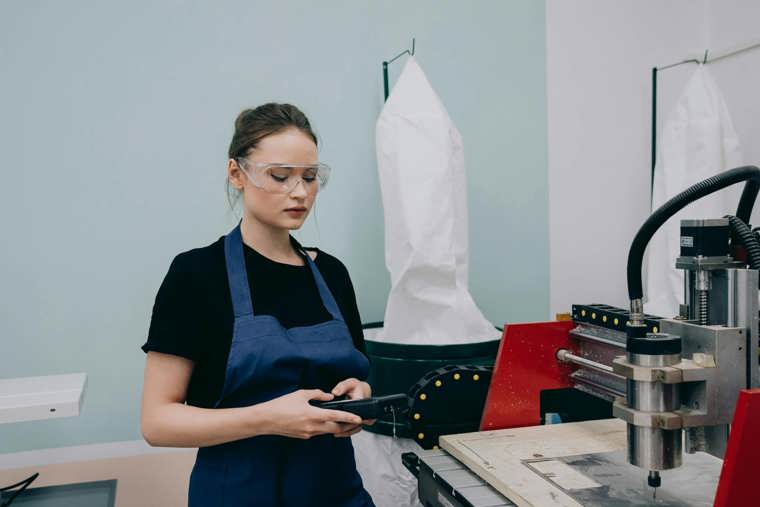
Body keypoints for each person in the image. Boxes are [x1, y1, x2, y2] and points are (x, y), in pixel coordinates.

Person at [140, 103, 375, 506]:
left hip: (337, 492)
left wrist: (363, 400)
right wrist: (269, 418)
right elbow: (157, 422)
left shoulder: (332, 273)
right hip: (238, 494)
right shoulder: (197, 276)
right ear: (237, 174)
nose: (299, 192)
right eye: (280, 177)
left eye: (310, 177)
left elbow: (360, 384)